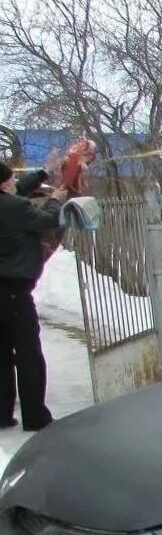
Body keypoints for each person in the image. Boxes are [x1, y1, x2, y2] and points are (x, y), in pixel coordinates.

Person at [0, 161, 69, 431]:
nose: (11, 184)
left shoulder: (11, 203)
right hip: (14, 293)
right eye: (8, 181)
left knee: (1, 356)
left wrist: (43, 174)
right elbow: (49, 219)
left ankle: (2, 415)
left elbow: (17, 192)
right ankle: (35, 417)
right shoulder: (14, 208)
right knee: (28, 355)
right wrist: (55, 200)